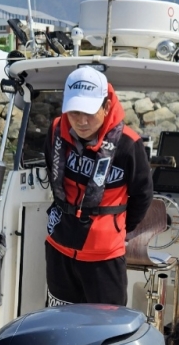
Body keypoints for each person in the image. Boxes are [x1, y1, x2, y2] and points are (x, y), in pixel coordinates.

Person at [44, 65, 153, 306]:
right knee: (59, 319)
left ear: (106, 106)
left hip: (104, 256)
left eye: (90, 112)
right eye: (74, 112)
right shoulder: (54, 131)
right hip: (59, 247)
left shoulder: (129, 145)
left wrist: (116, 228)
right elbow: (52, 173)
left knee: (106, 328)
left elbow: (143, 195)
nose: (82, 121)